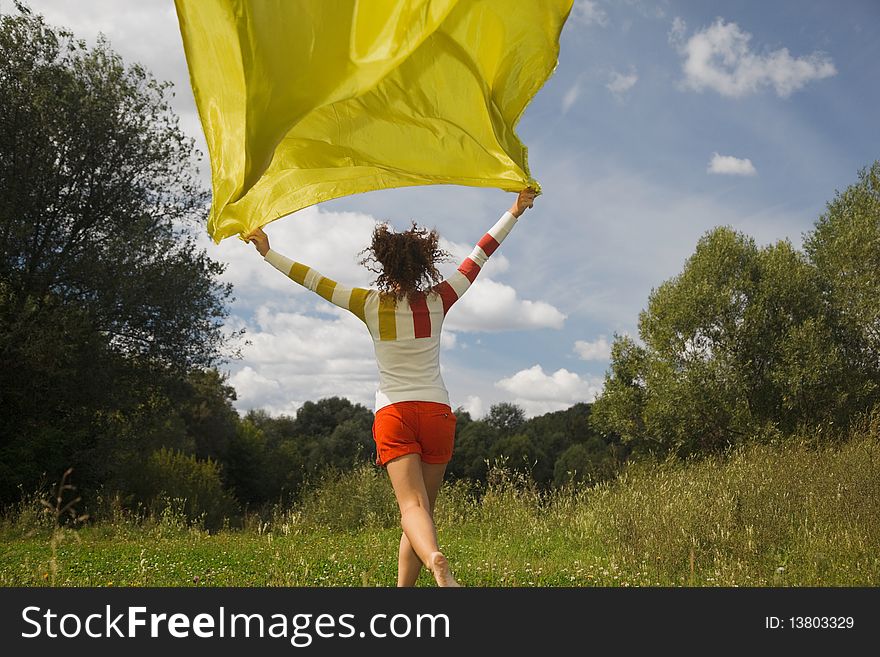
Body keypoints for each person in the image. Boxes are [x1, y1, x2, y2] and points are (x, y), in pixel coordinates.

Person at [245, 187, 537, 586]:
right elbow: (480, 255)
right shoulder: (440, 298)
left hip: (395, 415)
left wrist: (268, 252)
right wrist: (515, 211)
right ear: (424, 264)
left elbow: (312, 280)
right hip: (436, 413)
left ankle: (435, 559)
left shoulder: (368, 303)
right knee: (422, 512)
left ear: (383, 263)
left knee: (412, 508)